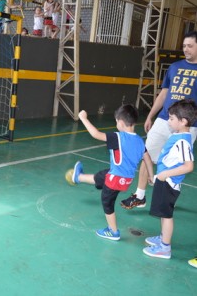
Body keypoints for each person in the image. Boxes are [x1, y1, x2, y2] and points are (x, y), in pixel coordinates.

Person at [121, 30, 197, 210]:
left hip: (188, 126)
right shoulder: (175, 67)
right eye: (184, 46)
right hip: (164, 120)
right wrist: (151, 115)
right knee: (146, 155)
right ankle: (139, 196)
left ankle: (166, 200)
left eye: (190, 46)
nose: (186, 49)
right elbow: (164, 93)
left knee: (176, 164)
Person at [65, 105, 154, 241]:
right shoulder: (139, 141)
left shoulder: (117, 137)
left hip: (115, 180)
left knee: (107, 203)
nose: (116, 123)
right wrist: (151, 175)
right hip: (124, 178)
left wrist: (83, 118)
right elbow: (147, 159)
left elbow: (95, 134)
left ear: (121, 123)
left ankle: (113, 231)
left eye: (116, 121)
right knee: (102, 176)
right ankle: (79, 177)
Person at [143, 99, 197, 259]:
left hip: (169, 183)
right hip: (164, 180)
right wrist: (160, 175)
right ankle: (162, 239)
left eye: (172, 118)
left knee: (166, 215)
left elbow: (189, 166)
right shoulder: (178, 135)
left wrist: (165, 175)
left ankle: (165, 248)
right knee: (162, 213)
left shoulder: (183, 141)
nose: (168, 121)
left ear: (183, 121)